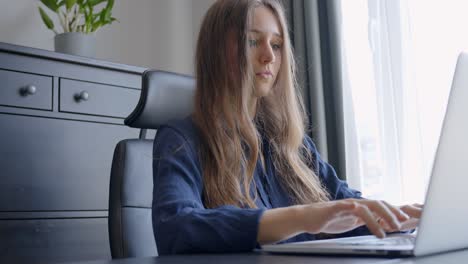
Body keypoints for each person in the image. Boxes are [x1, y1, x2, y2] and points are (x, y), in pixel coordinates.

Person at [152, 0, 422, 255]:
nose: (268, 56)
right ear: (217, 52)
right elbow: (176, 227)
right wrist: (303, 216)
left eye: (277, 44)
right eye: (253, 41)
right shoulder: (181, 139)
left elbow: (345, 206)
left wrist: (401, 216)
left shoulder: (291, 143)